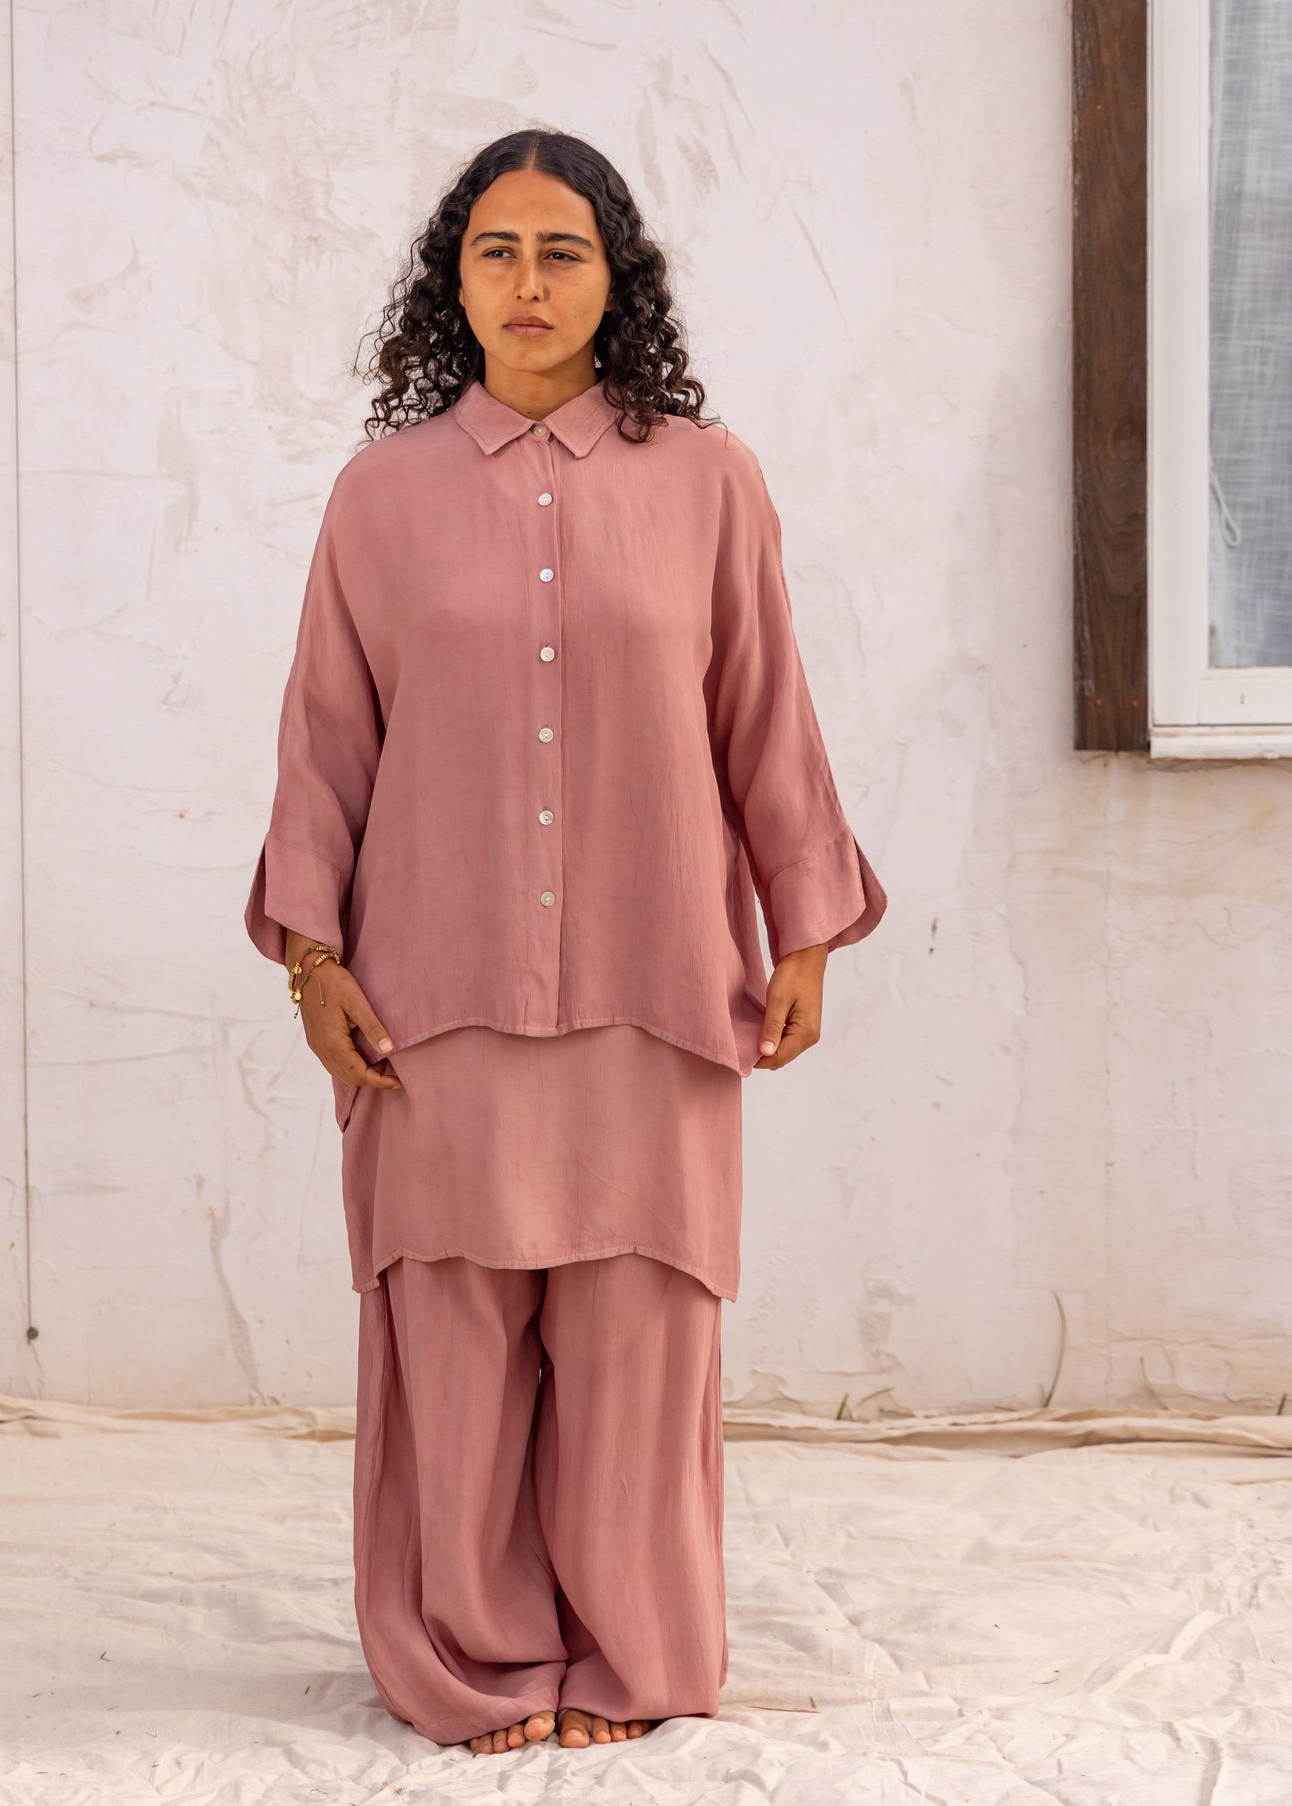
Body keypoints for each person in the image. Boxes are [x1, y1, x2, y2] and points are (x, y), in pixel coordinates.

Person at [244, 128, 887, 1758]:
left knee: (636, 1330)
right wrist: (313, 958)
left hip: (655, 980)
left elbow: (762, 711)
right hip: (429, 988)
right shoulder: (378, 498)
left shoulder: (707, 480)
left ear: (619, 279)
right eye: (494, 252)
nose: (525, 285)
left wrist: (805, 920)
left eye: (561, 251)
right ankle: (472, 1652)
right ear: (449, 280)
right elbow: (325, 739)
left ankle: (630, 1645)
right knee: (451, 1328)